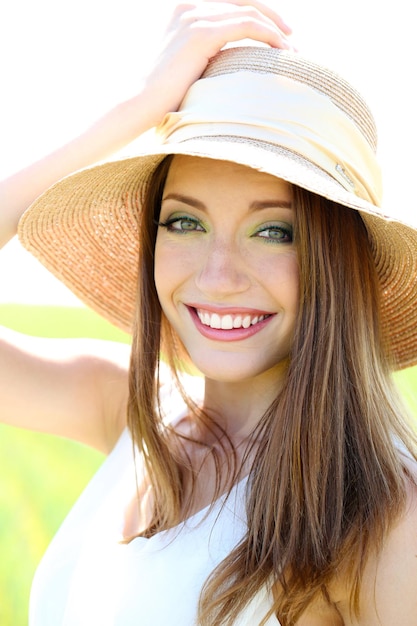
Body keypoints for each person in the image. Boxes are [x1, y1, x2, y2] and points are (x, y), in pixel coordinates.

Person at [1, 1, 417, 624]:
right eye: (185, 222)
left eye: (275, 232)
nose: (217, 277)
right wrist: (136, 110)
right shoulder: (130, 412)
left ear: (339, 265)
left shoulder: (382, 515)